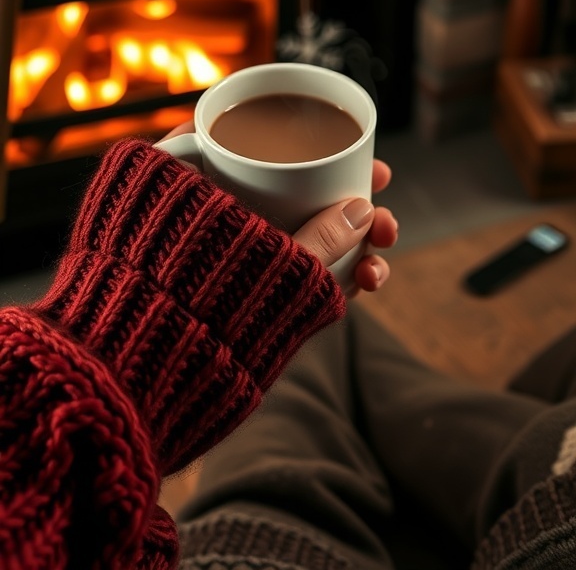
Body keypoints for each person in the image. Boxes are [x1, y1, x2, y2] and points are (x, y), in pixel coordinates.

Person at [2, 126, 576, 569]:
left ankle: (318, 327)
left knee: (310, 374)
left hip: (270, 545)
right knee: (330, 335)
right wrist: (122, 372)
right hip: (551, 510)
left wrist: (102, 348)